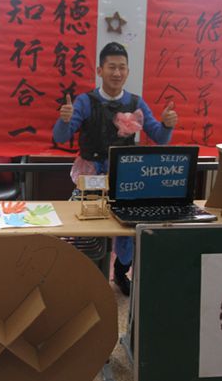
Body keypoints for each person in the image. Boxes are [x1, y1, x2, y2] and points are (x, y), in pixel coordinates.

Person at [53, 42, 178, 295]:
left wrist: (166, 125)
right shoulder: (85, 101)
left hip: (125, 176)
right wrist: (64, 120)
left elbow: (159, 137)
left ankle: (121, 273)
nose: (117, 73)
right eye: (112, 67)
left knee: (126, 227)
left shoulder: (136, 102)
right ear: (100, 70)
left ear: (128, 72)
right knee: (86, 224)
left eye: (122, 67)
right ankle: (84, 275)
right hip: (90, 174)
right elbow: (61, 136)